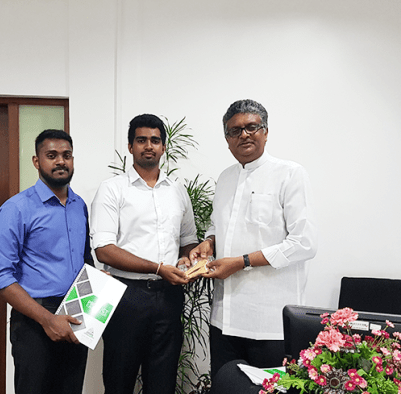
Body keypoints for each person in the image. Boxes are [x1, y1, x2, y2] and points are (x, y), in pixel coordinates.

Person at [190, 99, 318, 380]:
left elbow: (304, 243)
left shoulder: (290, 174)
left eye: (252, 127)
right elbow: (218, 226)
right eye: (235, 131)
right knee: (225, 386)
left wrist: (242, 262)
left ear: (266, 132)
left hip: (271, 322)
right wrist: (208, 242)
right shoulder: (225, 178)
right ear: (227, 140)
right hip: (224, 319)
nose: (244, 135)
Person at [90, 114, 199, 394]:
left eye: (155, 140)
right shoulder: (112, 189)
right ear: (130, 146)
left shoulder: (177, 190)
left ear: (163, 147)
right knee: (119, 381)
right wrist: (158, 267)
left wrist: (187, 258)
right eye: (141, 140)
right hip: (126, 297)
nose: (148, 146)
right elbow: (104, 250)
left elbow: (188, 241)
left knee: (163, 383)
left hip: (169, 297)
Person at [0, 129, 92, 394]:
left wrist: (100, 281)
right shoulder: (16, 208)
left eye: (67, 155)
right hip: (34, 320)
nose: (61, 161)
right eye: (51, 155)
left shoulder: (79, 205)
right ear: (37, 161)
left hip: (75, 315)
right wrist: (47, 320)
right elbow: (0, 277)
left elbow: (85, 259)